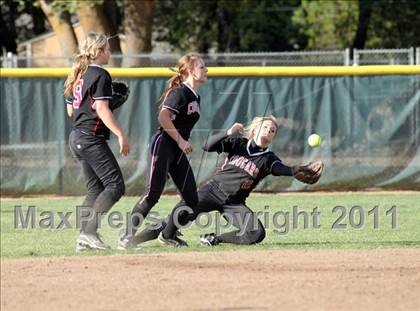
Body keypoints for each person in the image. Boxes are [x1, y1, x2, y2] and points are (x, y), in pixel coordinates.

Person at [130, 116, 323, 247]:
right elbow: (207, 146)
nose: (269, 131)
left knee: (256, 233)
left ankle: (214, 239)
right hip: (211, 191)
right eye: (266, 127)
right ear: (255, 129)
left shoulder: (268, 158)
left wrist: (294, 170)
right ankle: (136, 240)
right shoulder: (238, 144)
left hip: (234, 202)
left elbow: (279, 169)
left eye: (273, 130)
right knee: (178, 216)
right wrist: (228, 133)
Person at [118, 53, 208, 249]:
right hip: (164, 144)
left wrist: (181, 143)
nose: (206, 70)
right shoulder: (180, 92)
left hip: (176, 149)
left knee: (191, 197)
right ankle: (126, 236)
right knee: (153, 193)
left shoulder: (194, 95)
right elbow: (163, 117)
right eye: (202, 67)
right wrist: (181, 141)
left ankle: (167, 234)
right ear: (191, 71)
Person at [64, 32, 130, 251]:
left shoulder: (79, 73)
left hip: (77, 137)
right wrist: (120, 133)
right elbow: (100, 109)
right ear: (99, 51)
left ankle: (84, 237)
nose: (110, 53)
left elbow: (71, 110)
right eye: (108, 49)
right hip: (90, 138)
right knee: (115, 185)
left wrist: (103, 105)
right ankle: (88, 232)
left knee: (95, 189)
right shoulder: (100, 74)